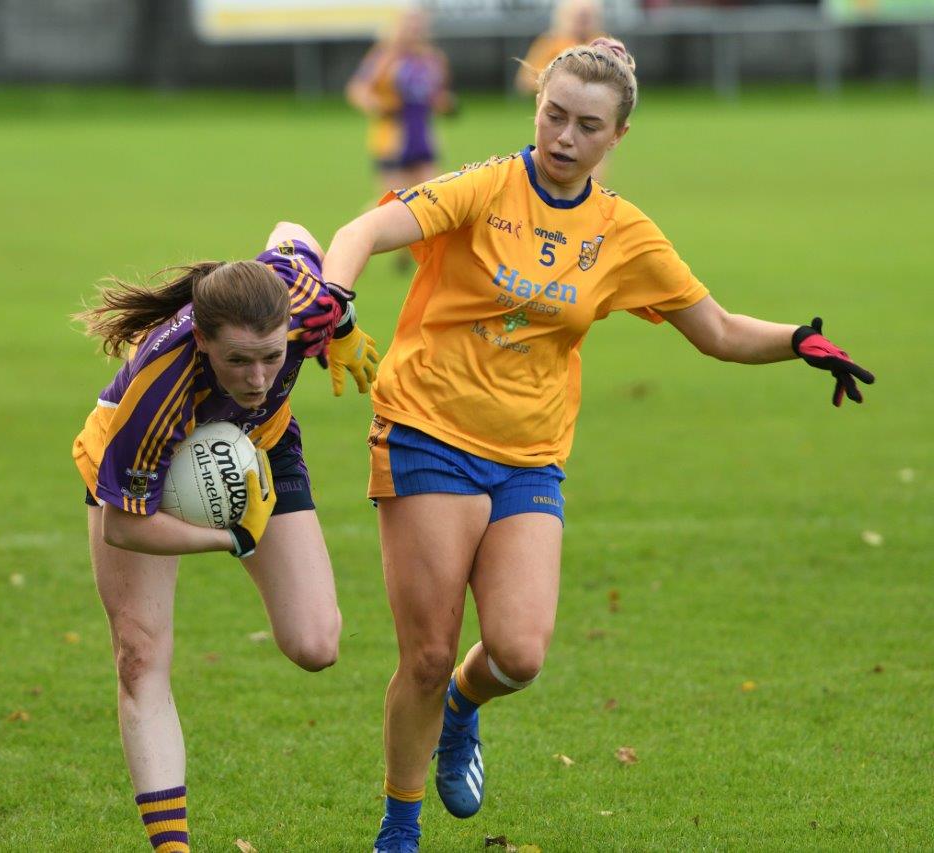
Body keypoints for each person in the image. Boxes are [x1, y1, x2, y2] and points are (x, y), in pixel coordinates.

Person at [318, 38, 875, 852]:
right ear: (536, 109)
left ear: (617, 137)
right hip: (428, 431)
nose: (563, 136)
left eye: (586, 125)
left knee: (518, 651)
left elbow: (715, 329)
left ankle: (463, 714)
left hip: (530, 455)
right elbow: (363, 229)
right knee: (430, 653)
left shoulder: (623, 233)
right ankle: (400, 826)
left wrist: (798, 340)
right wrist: (334, 296)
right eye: (553, 114)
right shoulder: (485, 186)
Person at [71, 222, 378, 853]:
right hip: (141, 477)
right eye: (238, 360)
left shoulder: (300, 301)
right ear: (204, 340)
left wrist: (340, 326)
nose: (260, 377)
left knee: (316, 643)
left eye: (272, 356)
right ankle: (173, 846)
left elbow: (292, 232)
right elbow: (123, 525)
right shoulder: (160, 389)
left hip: (259, 454)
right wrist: (232, 538)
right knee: (139, 655)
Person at [347, 9, 454, 207]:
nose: (413, 31)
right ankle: (363, 233)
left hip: (424, 137)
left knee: (431, 201)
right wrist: (378, 105)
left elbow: (438, 94)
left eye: (417, 26)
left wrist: (444, 104)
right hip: (392, 139)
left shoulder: (433, 59)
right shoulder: (384, 57)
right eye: (408, 25)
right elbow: (358, 90)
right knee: (392, 204)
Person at [514, 0, 602, 96]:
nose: (583, 23)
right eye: (580, 17)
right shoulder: (549, 42)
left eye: (588, 18)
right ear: (564, 17)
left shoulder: (602, 44)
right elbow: (525, 81)